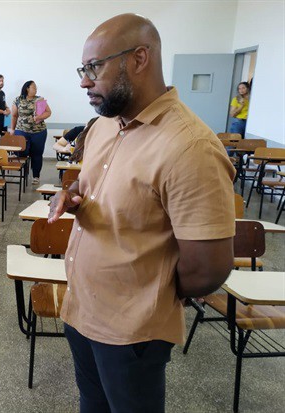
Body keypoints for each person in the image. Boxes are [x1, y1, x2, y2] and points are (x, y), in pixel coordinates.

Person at [48, 14, 235, 413]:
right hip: (82, 308)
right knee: (92, 404)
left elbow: (209, 268)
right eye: (83, 70)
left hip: (131, 330)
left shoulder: (190, 147)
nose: (84, 81)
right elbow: (91, 185)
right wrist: (72, 194)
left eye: (94, 67)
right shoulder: (104, 126)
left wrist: (148, 290)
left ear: (138, 59)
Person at [8, 81, 51, 185]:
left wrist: (39, 117)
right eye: (33, 87)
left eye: (36, 87)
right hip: (22, 130)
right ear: (27, 88)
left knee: (37, 154)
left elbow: (48, 112)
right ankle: (24, 168)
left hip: (39, 131)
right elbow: (14, 115)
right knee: (23, 151)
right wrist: (12, 129)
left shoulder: (39, 99)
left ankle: (36, 176)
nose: (36, 89)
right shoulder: (18, 99)